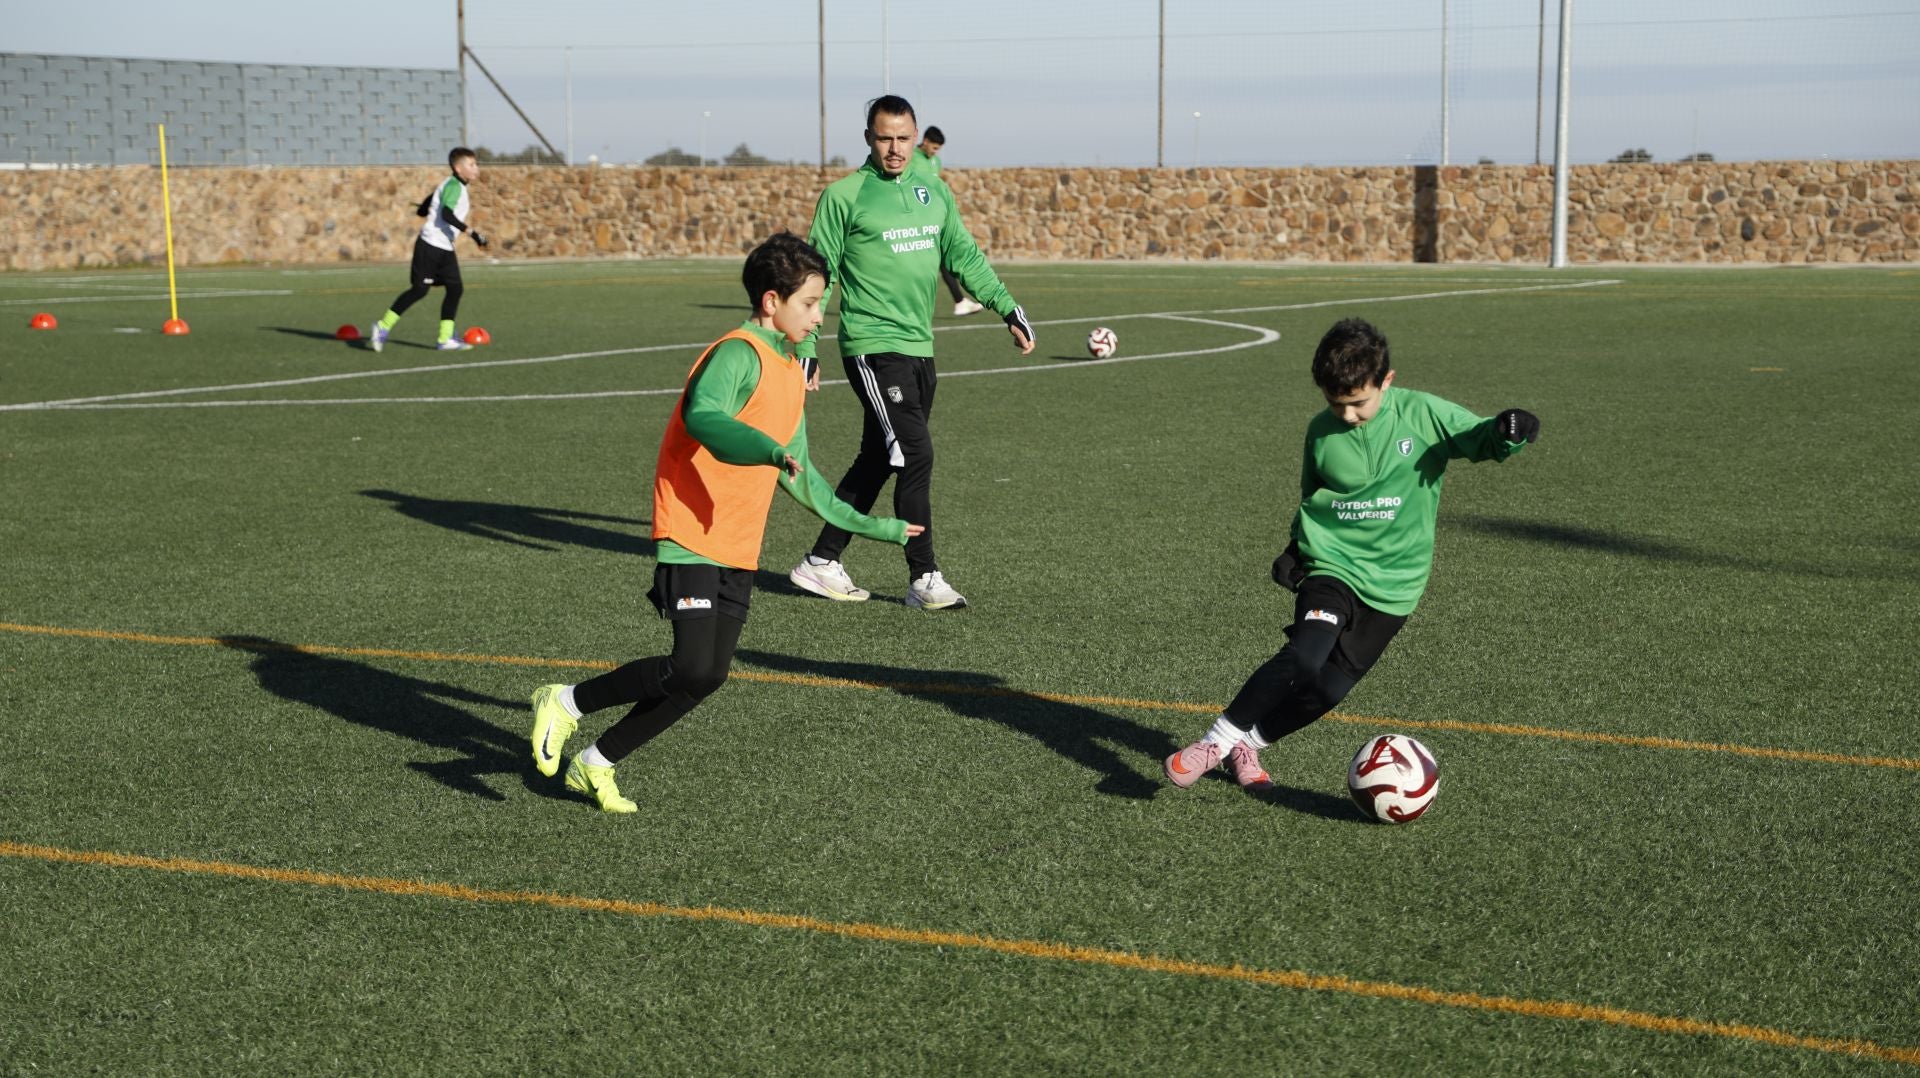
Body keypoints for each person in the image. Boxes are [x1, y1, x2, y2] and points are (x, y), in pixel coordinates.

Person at [527, 232, 923, 813]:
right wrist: (762, 448)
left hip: (738, 544)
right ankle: (565, 703)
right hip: (690, 533)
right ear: (771, 301)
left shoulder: (790, 371)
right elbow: (702, 416)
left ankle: (597, 763)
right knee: (689, 662)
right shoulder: (737, 353)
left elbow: (803, 475)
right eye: (810, 305)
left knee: (708, 675)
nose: (819, 319)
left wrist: (877, 528)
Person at [1163, 318, 1540, 790]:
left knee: (1329, 689)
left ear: (1387, 381)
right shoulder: (1320, 431)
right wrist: (1297, 545)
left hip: (1397, 583)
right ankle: (1215, 743)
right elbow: (1313, 493)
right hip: (1333, 566)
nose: (1346, 416)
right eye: (1335, 403)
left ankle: (1250, 745)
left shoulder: (1424, 415)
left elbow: (1482, 437)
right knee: (1305, 658)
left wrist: (1511, 429)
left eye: (1359, 402)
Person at [788, 94, 1035, 612]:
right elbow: (819, 274)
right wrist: (806, 345)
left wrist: (1006, 306)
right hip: (871, 347)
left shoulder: (933, 191)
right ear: (868, 139)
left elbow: (963, 255)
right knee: (914, 453)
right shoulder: (843, 196)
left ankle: (821, 561)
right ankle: (925, 577)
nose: (895, 148)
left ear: (915, 137)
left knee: (879, 455)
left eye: (903, 138)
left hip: (919, 346)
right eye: (884, 138)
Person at [369, 147, 489, 353]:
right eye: (471, 165)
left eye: (475, 164)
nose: (476, 168)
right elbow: (448, 214)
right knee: (419, 291)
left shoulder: (452, 184)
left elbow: (429, 201)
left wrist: (424, 208)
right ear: (458, 168)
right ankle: (382, 327)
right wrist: (473, 233)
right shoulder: (454, 186)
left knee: (455, 288)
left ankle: (445, 339)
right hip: (430, 246)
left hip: (445, 248)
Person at [914, 126, 984, 317]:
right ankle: (959, 301)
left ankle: (959, 301)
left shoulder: (936, 161)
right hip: (915, 219)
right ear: (925, 141)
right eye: (934, 147)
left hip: (932, 218)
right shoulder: (910, 158)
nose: (935, 152)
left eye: (938, 149)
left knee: (943, 260)